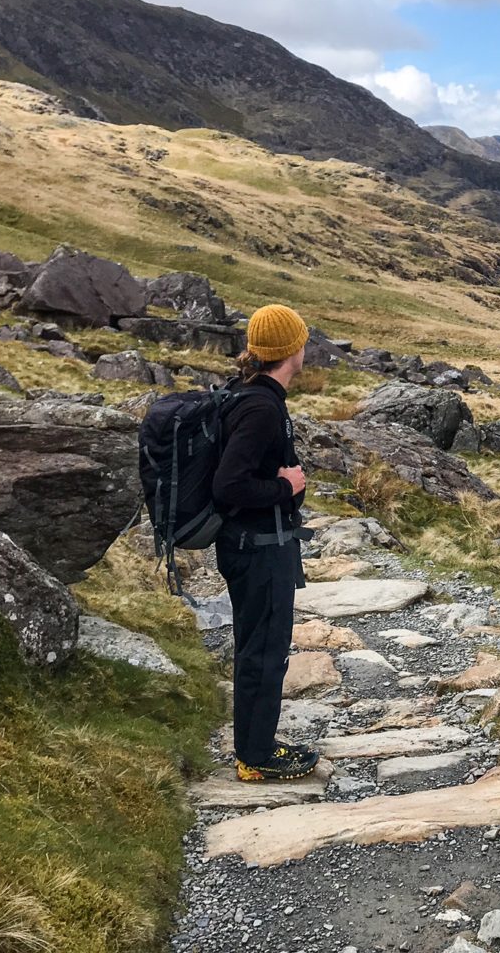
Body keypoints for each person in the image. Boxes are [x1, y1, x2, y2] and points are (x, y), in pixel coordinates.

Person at [213, 302, 318, 782]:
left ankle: (254, 746)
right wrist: (286, 487)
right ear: (291, 349)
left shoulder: (252, 395)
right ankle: (256, 756)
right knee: (263, 650)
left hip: (252, 545)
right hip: (259, 549)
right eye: (302, 339)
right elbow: (229, 485)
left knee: (257, 645)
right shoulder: (261, 407)